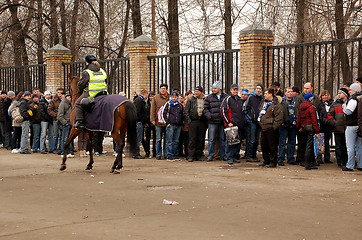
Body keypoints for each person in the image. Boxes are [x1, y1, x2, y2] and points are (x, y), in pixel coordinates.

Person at [74, 54, 108, 130]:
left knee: (77, 104)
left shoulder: (86, 72)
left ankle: (80, 122)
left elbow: (82, 84)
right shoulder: (102, 70)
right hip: (103, 92)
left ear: (87, 62)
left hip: (91, 93)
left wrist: (80, 88)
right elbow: (106, 81)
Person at [295, 82, 323, 166]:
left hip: (310, 124)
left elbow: (319, 110)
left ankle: (311, 160)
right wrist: (299, 125)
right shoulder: (300, 98)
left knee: (310, 144)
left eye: (307, 88)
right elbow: (297, 113)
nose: (305, 90)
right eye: (304, 88)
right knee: (303, 143)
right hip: (306, 125)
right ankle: (301, 159)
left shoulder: (316, 98)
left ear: (312, 88)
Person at [258, 88, 284, 168]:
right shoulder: (264, 104)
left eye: (266, 93)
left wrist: (274, 127)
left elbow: (279, 118)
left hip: (271, 128)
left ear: (271, 94)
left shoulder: (276, 105)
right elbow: (260, 113)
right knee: (263, 145)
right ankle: (266, 160)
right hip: (263, 127)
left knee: (272, 146)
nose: (264, 95)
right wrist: (261, 123)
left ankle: (273, 161)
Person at [203, 81, 228, 162]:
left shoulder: (226, 97)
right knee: (211, 139)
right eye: (213, 88)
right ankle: (210, 155)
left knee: (222, 139)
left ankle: (223, 155)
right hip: (212, 122)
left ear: (219, 88)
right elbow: (205, 108)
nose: (214, 90)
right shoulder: (209, 97)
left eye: (215, 88)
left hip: (222, 121)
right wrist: (209, 116)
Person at [221, 84, 245, 165]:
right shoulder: (227, 99)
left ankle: (235, 156)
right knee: (230, 142)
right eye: (234, 90)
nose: (235, 91)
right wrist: (228, 122)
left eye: (236, 90)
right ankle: (229, 157)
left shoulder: (240, 99)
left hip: (239, 125)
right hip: (231, 124)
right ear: (231, 90)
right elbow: (223, 111)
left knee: (237, 142)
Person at [342, 83, 362, 171]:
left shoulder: (353, 99)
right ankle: (361, 164)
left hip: (351, 125)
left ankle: (350, 165)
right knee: (359, 146)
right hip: (359, 125)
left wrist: (344, 107)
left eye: (350, 90)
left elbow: (349, 112)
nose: (349, 91)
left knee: (350, 146)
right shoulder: (360, 99)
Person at [185, 86, 207, 162]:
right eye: (195, 91)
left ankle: (199, 155)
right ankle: (191, 155)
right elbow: (186, 111)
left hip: (202, 122)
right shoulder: (191, 99)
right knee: (192, 139)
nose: (196, 93)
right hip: (193, 121)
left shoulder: (205, 99)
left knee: (201, 139)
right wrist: (189, 121)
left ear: (201, 92)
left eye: (197, 91)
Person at [327, 88, 348, 168]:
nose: (338, 94)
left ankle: (346, 160)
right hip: (338, 129)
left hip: (346, 128)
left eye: (340, 93)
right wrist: (334, 123)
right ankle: (340, 161)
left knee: (345, 146)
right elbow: (329, 115)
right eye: (338, 93)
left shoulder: (349, 103)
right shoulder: (335, 104)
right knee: (338, 146)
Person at [243, 84, 264, 161]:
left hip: (259, 122)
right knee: (251, 139)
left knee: (256, 139)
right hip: (252, 121)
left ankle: (254, 155)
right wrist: (251, 117)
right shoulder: (251, 97)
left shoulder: (262, 98)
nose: (258, 90)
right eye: (257, 88)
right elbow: (246, 108)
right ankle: (249, 155)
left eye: (260, 89)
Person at [278, 87, 298, 166]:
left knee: (292, 142)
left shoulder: (295, 101)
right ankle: (280, 158)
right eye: (288, 92)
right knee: (282, 142)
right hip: (284, 124)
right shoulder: (282, 101)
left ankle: (291, 158)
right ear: (285, 93)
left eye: (291, 91)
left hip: (293, 124)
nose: (290, 93)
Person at [150, 83, 169, 160]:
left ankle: (166, 153)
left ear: (166, 89)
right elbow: (152, 109)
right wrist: (152, 119)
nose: (163, 90)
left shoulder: (169, 97)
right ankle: (158, 154)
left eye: (164, 89)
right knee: (158, 139)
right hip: (158, 122)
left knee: (166, 140)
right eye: (161, 88)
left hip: (167, 122)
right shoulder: (156, 98)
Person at [163, 91, 183, 161]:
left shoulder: (180, 105)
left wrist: (181, 122)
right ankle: (169, 155)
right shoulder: (168, 104)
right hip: (170, 124)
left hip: (178, 125)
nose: (174, 98)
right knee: (169, 141)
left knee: (176, 141)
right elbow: (164, 113)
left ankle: (174, 154)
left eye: (175, 97)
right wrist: (167, 122)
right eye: (173, 97)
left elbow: (181, 114)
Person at [317, 90, 333, 164]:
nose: (324, 97)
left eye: (326, 95)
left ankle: (327, 158)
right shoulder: (319, 104)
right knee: (320, 142)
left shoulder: (331, 103)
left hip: (328, 126)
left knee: (327, 142)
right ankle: (319, 158)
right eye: (323, 95)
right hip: (321, 125)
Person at [57, 91, 74, 158]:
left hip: (71, 123)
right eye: (68, 96)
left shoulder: (71, 103)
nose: (69, 97)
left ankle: (69, 151)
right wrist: (65, 123)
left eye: (70, 96)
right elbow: (59, 116)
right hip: (66, 123)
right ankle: (63, 152)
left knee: (69, 139)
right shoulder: (63, 104)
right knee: (64, 139)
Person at [48, 88, 65, 153]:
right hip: (55, 119)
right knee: (55, 134)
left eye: (61, 92)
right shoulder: (53, 101)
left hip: (63, 120)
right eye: (58, 92)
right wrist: (56, 115)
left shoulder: (65, 100)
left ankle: (60, 148)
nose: (60, 94)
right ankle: (54, 148)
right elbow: (49, 110)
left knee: (61, 135)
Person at [133, 89, 148, 159]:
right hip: (138, 122)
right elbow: (137, 112)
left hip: (139, 122)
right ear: (145, 93)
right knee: (138, 139)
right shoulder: (139, 101)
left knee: (139, 138)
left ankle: (136, 153)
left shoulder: (140, 100)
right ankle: (136, 153)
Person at [142, 91, 156, 158]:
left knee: (155, 139)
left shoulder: (156, 103)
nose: (151, 97)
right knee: (147, 139)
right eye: (150, 96)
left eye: (153, 96)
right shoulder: (146, 104)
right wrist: (146, 122)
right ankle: (147, 152)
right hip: (148, 123)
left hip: (155, 123)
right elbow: (145, 113)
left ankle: (155, 152)